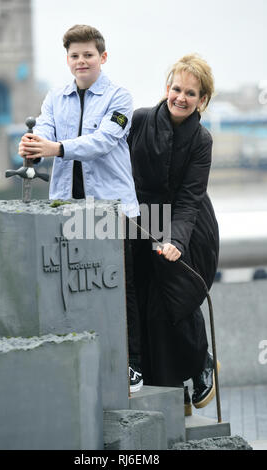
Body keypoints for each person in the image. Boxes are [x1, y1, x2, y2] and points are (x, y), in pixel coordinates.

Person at [18, 24, 143, 393]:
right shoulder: (55, 97)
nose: (81, 61)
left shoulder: (121, 98)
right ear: (68, 60)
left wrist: (55, 149)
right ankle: (86, 362)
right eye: (74, 55)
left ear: (102, 57)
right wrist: (32, 143)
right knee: (75, 287)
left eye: (88, 54)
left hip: (113, 211)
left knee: (122, 290)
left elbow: (104, 141)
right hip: (68, 210)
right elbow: (44, 131)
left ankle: (132, 363)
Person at [128, 54, 220, 415]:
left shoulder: (202, 140)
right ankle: (172, 392)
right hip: (142, 220)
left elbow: (189, 198)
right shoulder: (138, 120)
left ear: (202, 100)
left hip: (190, 226)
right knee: (145, 307)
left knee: (175, 296)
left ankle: (201, 363)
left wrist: (176, 242)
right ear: (167, 88)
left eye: (191, 93)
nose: (181, 97)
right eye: (177, 88)